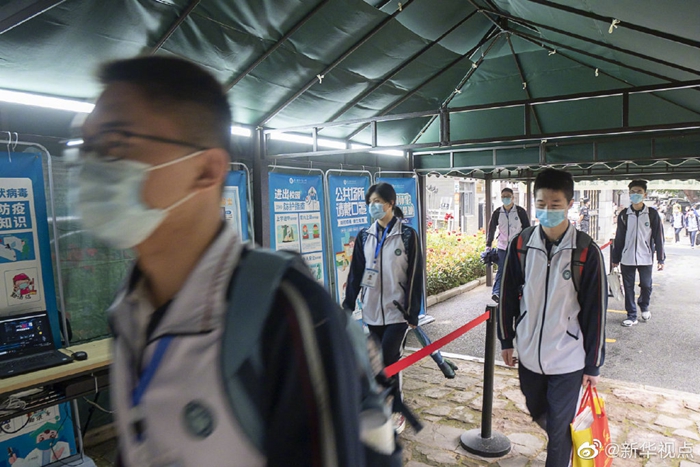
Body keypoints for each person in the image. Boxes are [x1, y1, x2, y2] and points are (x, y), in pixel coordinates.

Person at [77, 56, 365, 466]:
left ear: (207, 170)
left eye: (115, 142)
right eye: (87, 146)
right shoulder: (129, 307)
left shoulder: (284, 310)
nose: (92, 164)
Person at [497, 168, 607, 467]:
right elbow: (506, 294)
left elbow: (596, 311)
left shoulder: (585, 252)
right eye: (541, 204)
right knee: (537, 409)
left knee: (558, 427)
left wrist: (593, 363)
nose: (547, 210)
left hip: (568, 357)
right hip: (529, 353)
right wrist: (506, 339)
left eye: (555, 204)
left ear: (569, 204)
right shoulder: (521, 244)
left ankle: (561, 453)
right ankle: (566, 439)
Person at [343, 182, 423, 434]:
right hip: (371, 312)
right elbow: (356, 274)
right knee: (376, 363)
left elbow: (415, 274)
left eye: (378, 202)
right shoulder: (364, 236)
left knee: (389, 359)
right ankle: (381, 405)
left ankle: (396, 411)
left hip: (397, 312)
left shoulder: (407, 235)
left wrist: (413, 311)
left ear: (390, 204)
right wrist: (348, 305)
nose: (373, 206)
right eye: (370, 202)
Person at [611, 180, 665, 327]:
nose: (636, 194)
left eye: (639, 192)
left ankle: (644, 305)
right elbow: (619, 237)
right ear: (629, 194)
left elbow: (658, 236)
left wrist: (661, 258)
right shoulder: (624, 214)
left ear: (645, 194)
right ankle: (631, 315)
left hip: (646, 256)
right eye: (633, 192)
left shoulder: (652, 214)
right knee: (628, 288)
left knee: (646, 285)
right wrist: (615, 258)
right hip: (627, 257)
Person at [485, 188, 530, 303]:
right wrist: (488, 244)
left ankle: (517, 291)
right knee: (501, 269)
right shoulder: (497, 212)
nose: (506, 198)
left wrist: (526, 243)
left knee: (517, 268)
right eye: (503, 196)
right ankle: (497, 292)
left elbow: (527, 228)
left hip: (517, 246)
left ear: (513, 197)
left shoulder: (520, 211)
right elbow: (491, 228)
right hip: (502, 246)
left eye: (508, 196)